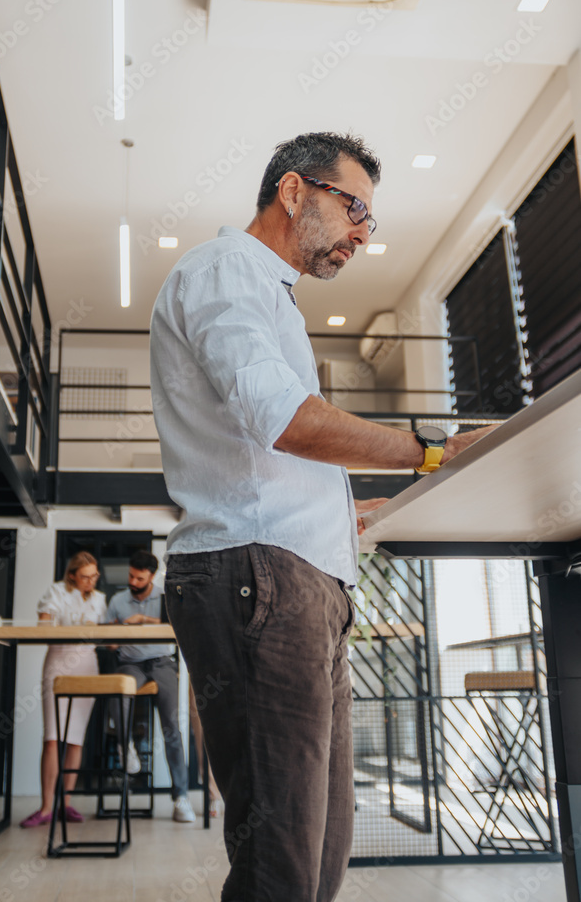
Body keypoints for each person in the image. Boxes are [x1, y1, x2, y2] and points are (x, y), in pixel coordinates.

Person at [149, 131, 497, 901]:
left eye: (371, 223)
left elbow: (268, 458)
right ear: (294, 190)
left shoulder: (266, 291)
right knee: (282, 857)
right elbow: (284, 420)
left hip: (293, 579)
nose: (363, 237)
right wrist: (428, 450)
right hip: (257, 578)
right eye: (356, 210)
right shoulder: (226, 269)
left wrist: (350, 510)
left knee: (319, 853)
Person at [107, 549, 196, 823]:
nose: (133, 582)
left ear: (152, 577)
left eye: (139, 578)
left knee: (171, 725)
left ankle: (181, 797)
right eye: (131, 576)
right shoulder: (118, 600)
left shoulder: (166, 597)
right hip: (130, 663)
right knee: (117, 694)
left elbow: (181, 627)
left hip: (161, 663)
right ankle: (126, 746)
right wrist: (119, 633)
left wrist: (143, 621)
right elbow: (109, 640)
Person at [20, 551, 107, 828]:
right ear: (72, 575)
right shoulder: (57, 591)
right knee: (52, 736)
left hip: (87, 665)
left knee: (75, 738)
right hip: (59, 662)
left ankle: (65, 804)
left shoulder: (100, 599)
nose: (90, 581)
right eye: (85, 576)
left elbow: (105, 634)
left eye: (94, 576)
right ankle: (46, 807)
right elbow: (44, 624)